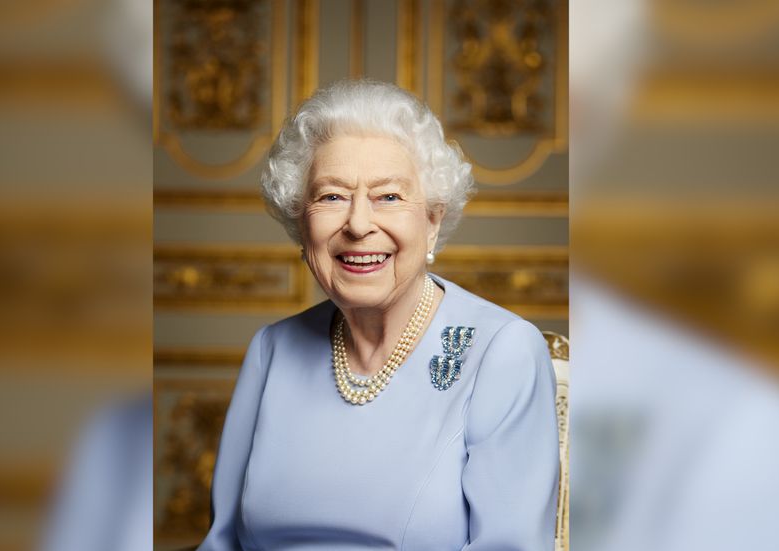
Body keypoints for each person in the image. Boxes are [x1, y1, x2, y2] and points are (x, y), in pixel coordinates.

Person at [198, 79, 560, 550]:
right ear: (300, 223)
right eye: (331, 196)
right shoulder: (272, 349)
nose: (358, 224)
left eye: (388, 196)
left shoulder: (502, 351)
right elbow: (222, 541)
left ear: (432, 221)